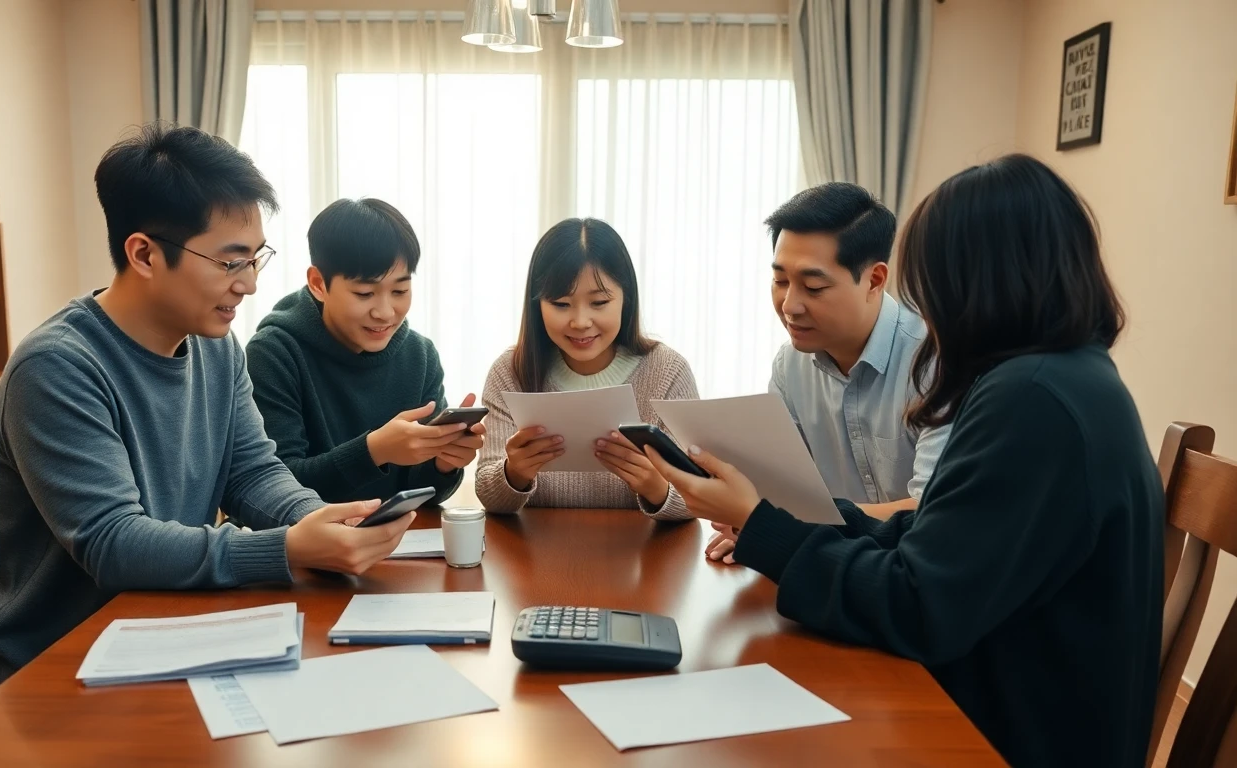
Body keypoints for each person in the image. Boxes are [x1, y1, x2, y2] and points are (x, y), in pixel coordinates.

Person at [645, 155, 1161, 768]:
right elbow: (934, 536)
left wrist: (764, 528)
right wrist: (772, 521)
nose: (927, 309)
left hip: (1004, 737)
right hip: (1008, 695)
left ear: (980, 282)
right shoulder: (1064, 379)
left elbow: (918, 604)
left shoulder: (1031, 400)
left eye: (934, 282)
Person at [0, 125, 415, 692]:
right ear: (144, 254)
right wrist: (286, 547)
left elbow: (252, 471)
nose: (251, 285)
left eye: (255, 259)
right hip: (59, 666)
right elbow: (114, 543)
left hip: (170, 630)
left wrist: (320, 520)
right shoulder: (58, 367)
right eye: (231, 263)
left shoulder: (214, 345)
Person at [705, 183, 950, 563]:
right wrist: (760, 525)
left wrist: (774, 524)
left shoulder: (935, 361)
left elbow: (930, 513)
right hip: (831, 570)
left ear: (874, 280)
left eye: (814, 286)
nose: (789, 305)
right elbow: (783, 489)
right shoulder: (790, 366)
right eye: (780, 281)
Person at [246, 198, 482, 505]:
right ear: (318, 284)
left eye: (399, 291)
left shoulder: (419, 356)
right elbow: (273, 487)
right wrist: (373, 451)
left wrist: (444, 463)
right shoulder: (273, 354)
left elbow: (423, 494)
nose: (385, 312)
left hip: (396, 544)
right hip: (306, 548)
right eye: (365, 293)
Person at [475, 218, 698, 518]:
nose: (580, 322)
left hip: (642, 560)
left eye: (599, 302)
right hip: (531, 559)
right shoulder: (510, 372)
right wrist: (514, 473)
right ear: (537, 304)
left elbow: (700, 497)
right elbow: (489, 496)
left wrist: (656, 488)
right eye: (561, 304)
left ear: (625, 299)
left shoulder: (667, 371)